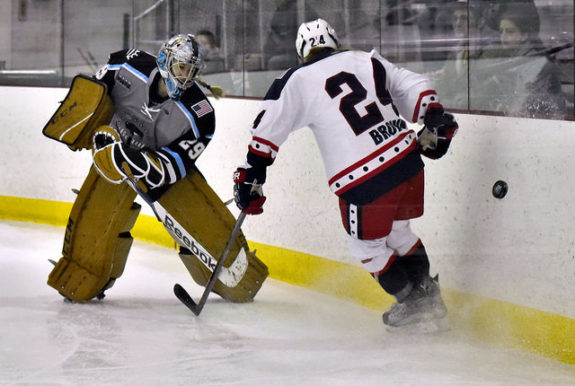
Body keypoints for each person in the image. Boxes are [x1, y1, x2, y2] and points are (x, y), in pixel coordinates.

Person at [233, 19, 458, 328]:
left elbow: (268, 128)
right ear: (334, 40)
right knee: (398, 232)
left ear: (301, 51)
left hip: (364, 180)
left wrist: (253, 174)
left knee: (367, 248)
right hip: (407, 161)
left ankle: (413, 302)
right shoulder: (366, 58)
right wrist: (430, 111)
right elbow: (412, 85)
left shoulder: (296, 78)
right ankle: (428, 294)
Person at [44, 34, 268, 303]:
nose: (186, 78)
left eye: (193, 71)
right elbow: (91, 100)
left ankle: (234, 277)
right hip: (112, 158)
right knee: (86, 252)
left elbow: (175, 166)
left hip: (159, 171)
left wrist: (138, 162)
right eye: (182, 68)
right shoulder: (126, 65)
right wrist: (94, 134)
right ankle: (91, 272)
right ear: (165, 61)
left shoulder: (201, 114)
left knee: (209, 229)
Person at [478, 2, 566, 118]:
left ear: (525, 34)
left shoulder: (539, 64)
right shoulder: (511, 61)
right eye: (501, 31)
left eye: (510, 32)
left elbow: (531, 107)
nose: (503, 37)